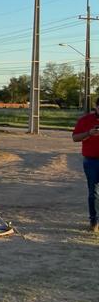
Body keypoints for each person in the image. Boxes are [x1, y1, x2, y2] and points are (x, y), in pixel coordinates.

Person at [71, 98, 99, 232]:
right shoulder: (85, 120)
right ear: (96, 107)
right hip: (91, 161)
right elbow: (75, 138)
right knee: (94, 193)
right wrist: (89, 133)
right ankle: (94, 222)